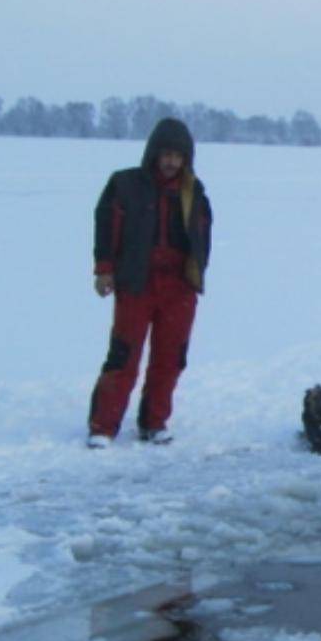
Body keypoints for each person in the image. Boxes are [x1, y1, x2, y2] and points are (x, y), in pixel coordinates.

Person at [86, 117, 213, 447]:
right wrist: (104, 269)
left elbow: (202, 238)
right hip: (137, 284)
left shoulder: (194, 192)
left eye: (178, 156)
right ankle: (103, 426)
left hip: (179, 289)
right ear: (153, 153)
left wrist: (196, 274)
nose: (171, 162)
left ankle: (154, 422)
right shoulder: (125, 184)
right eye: (166, 154)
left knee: (170, 359)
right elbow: (106, 227)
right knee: (123, 356)